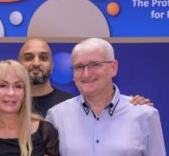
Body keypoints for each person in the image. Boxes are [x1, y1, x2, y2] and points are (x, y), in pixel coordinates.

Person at [19, 38, 152, 116]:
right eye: (29, 58)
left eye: (43, 58)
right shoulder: (6, 104)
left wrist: (135, 107)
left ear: (53, 66)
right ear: (18, 65)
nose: (36, 63)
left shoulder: (73, 106)